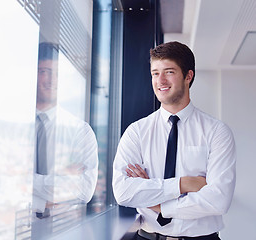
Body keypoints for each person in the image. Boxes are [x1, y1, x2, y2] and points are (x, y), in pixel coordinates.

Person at [112, 41, 236, 240]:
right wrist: (183, 184)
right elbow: (123, 192)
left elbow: (218, 199)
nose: (160, 80)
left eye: (169, 72)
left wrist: (157, 203)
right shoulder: (136, 132)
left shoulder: (217, 132)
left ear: (188, 76)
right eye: (155, 73)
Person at [30, 42, 98, 237]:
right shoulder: (16, 127)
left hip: (62, 232)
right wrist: (59, 178)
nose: (51, 79)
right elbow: (1, 184)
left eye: (57, 73)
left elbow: (83, 192)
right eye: (44, 71)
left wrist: (27, 183)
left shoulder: (80, 131)